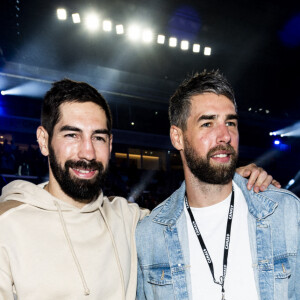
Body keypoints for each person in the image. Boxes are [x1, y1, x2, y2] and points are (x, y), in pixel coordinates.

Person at [0, 78, 277, 300]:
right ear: (44, 140)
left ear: (110, 145)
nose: (87, 152)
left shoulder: (130, 220)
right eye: (72, 135)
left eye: (98, 137)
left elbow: (197, 212)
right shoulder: (8, 226)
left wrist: (230, 176)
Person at [136, 70, 300, 300]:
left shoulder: (286, 213)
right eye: (207, 123)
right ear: (177, 137)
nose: (225, 135)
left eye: (230, 122)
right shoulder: (150, 235)